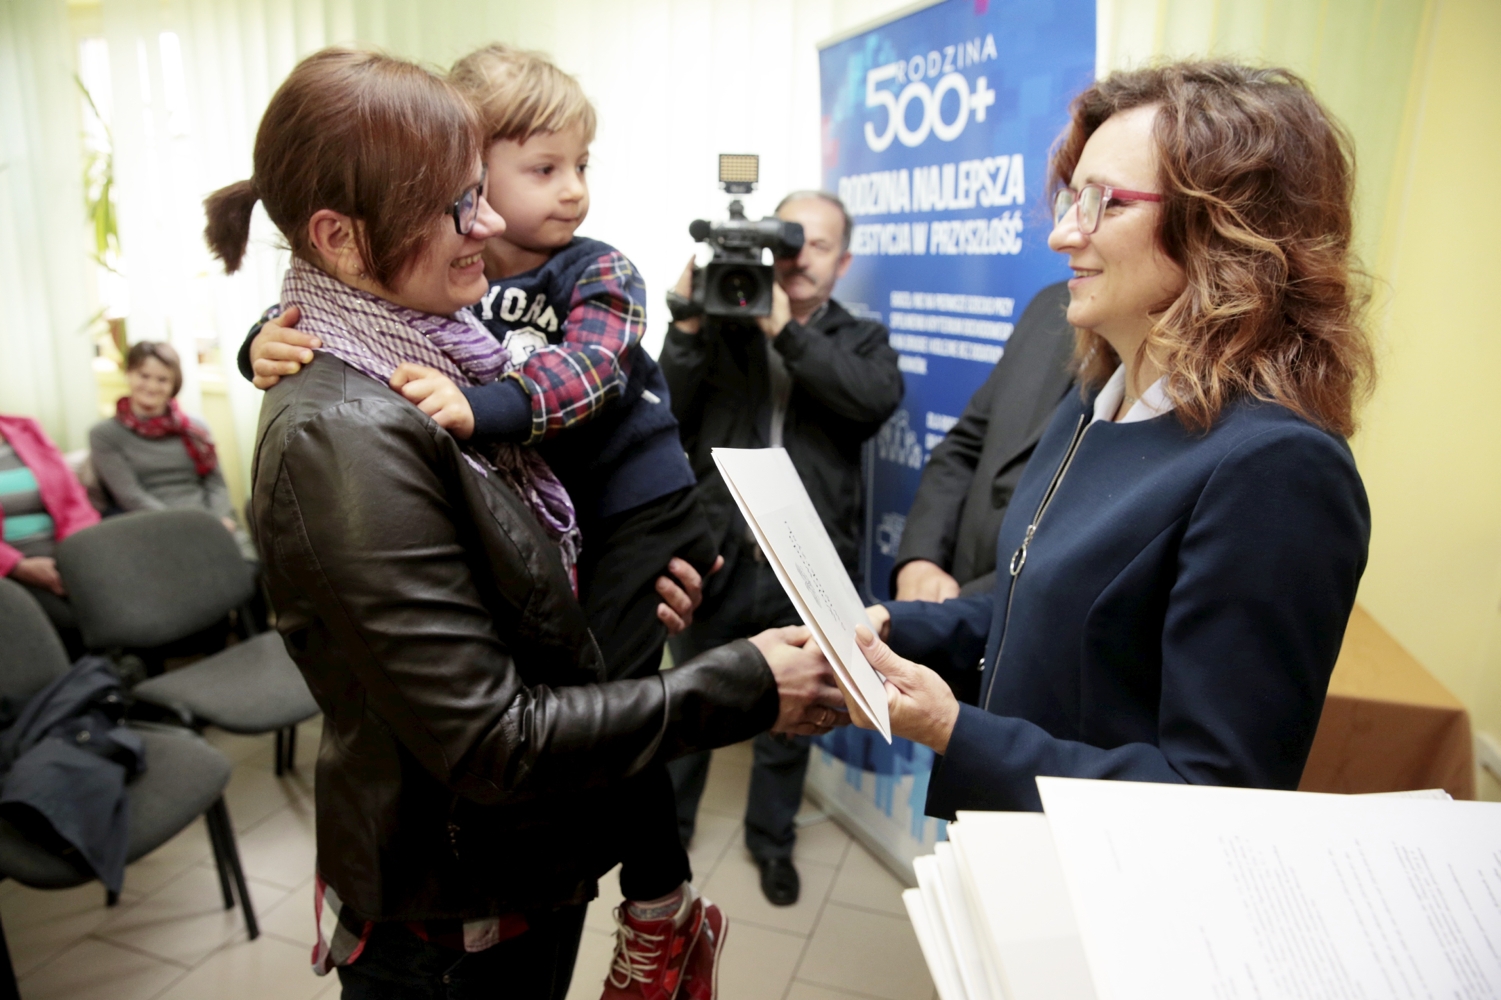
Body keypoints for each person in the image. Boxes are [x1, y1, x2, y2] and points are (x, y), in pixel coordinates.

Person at [202, 48, 846, 1000]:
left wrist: (594, 559)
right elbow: (500, 732)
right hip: (458, 892)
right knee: (607, 692)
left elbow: (569, 405)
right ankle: (662, 905)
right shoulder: (343, 426)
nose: (493, 222)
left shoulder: (445, 328)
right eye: (462, 202)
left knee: (611, 684)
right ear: (339, 238)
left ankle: (659, 900)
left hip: (621, 548)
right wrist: (745, 681)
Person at [848, 61, 1374, 816]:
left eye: (1105, 203)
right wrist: (900, 627)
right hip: (1018, 836)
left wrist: (951, 728)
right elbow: (1046, 610)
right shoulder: (1094, 400)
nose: (1064, 233)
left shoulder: (1277, 469)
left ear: (1224, 228)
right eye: (1072, 199)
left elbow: (1216, 795)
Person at [660, 190, 904, 906]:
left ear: (843, 262)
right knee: (691, 701)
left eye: (817, 246)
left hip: (806, 563)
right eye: (790, 244)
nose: (799, 260)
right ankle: (668, 835)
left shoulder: (860, 337)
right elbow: (667, 411)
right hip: (716, 556)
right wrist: (686, 324)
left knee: (793, 717)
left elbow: (869, 401)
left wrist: (783, 330)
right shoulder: (724, 323)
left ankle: (771, 842)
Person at [892, 280, 1076, 610]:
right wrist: (921, 558)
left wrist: (959, 612)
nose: (1064, 250)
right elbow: (966, 444)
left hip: (1030, 617)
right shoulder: (1052, 304)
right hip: (954, 604)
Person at [89, 341, 255, 561]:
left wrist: (218, 520)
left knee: (250, 565)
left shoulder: (195, 429)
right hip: (154, 526)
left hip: (212, 520)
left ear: (174, 383)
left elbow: (216, 483)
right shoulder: (105, 434)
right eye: (143, 376)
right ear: (128, 374)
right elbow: (131, 496)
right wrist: (185, 527)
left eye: (162, 379)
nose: (151, 386)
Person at [0, 414, 100, 655]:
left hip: (61, 546)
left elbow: (72, 497)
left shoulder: (25, 428)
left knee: (119, 597)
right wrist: (17, 566)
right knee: (72, 620)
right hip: (13, 563)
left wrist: (74, 552)